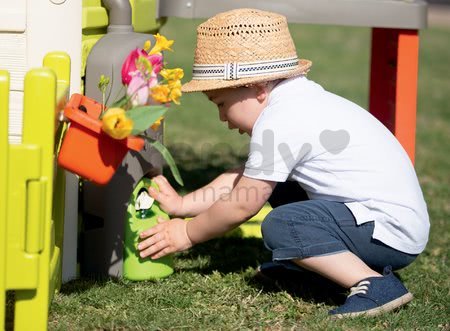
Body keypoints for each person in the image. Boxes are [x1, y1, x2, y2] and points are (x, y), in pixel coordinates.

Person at [137, 8, 429, 318]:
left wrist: (186, 233)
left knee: (284, 224)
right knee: (273, 188)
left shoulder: (281, 120)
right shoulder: (296, 102)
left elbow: (241, 205)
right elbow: (243, 181)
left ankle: (375, 284)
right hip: (387, 221)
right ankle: (318, 268)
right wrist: (183, 205)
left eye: (222, 104)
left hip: (388, 232)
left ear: (258, 88)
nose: (222, 118)